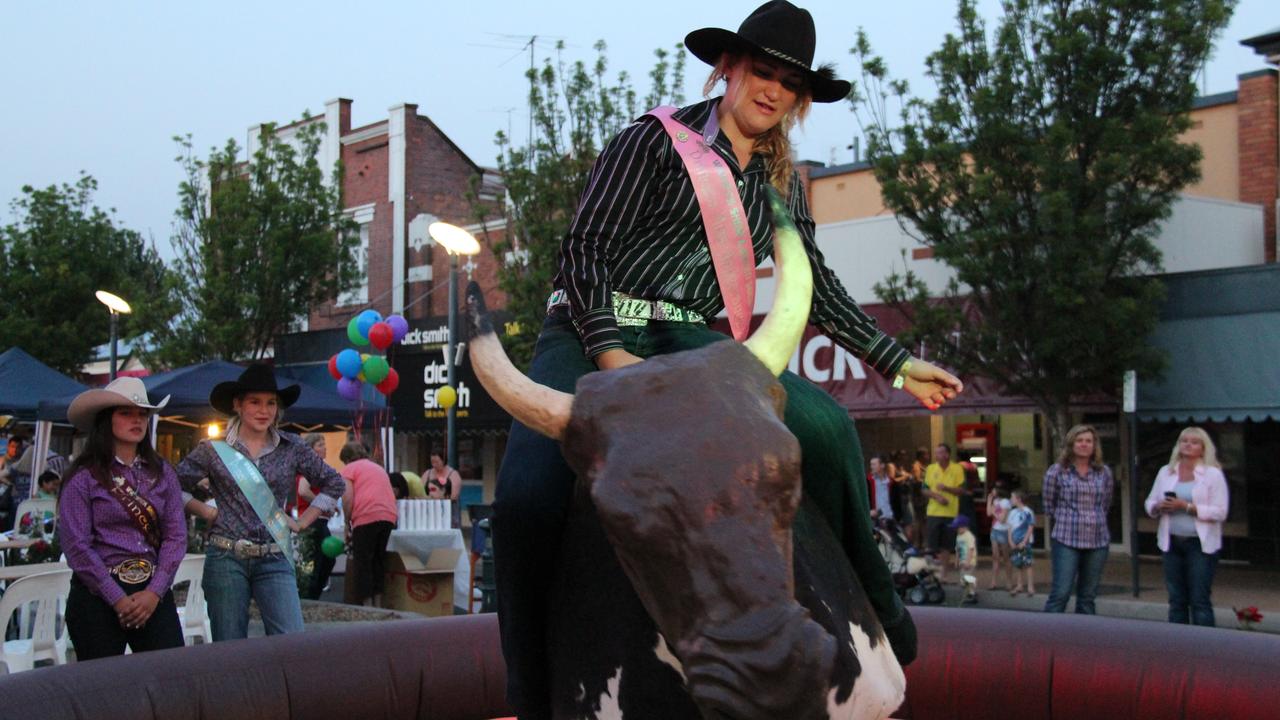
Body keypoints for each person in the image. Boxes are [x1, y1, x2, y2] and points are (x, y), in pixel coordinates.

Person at [491, 3, 965, 714]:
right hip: (589, 329)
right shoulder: (652, 141)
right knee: (527, 492)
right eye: (761, 72)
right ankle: (528, 689)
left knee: (828, 429)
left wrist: (895, 362)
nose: (771, 91)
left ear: (800, 99)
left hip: (691, 340)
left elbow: (813, 282)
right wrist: (612, 356)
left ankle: (886, 616)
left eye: (789, 84)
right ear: (729, 69)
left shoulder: (780, 180)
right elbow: (583, 252)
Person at [177, 363, 346, 641]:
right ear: (238, 405)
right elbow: (172, 486)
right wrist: (205, 510)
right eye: (254, 402)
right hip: (226, 556)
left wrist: (304, 521)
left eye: (271, 403)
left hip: (274, 554)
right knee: (229, 647)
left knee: (290, 641)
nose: (264, 410)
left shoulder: (293, 447)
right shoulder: (213, 449)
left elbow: (334, 482)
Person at [58, 378, 186, 659]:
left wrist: (155, 592)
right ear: (107, 420)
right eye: (126, 413)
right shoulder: (83, 478)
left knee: (172, 677)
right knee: (102, 690)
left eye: (142, 414)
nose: (137, 420)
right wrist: (116, 598)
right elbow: (77, 546)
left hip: (152, 592)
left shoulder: (163, 473)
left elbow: (176, 536)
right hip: (97, 596)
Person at [1144, 427, 1229, 626]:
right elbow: (1150, 502)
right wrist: (1158, 507)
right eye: (1184, 441)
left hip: (1199, 544)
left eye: (1194, 442)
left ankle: (1205, 646)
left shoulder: (1212, 474)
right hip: (1171, 542)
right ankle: (1178, 646)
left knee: (1199, 598)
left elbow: (1220, 511)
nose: (1188, 445)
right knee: (1176, 599)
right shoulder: (1166, 471)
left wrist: (1187, 507)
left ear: (1203, 448)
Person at [1042, 424, 1114, 614]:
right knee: (1061, 593)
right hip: (1066, 538)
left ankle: (1084, 639)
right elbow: (1049, 504)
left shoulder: (1104, 472)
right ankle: (1046, 638)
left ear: (1094, 445)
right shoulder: (1056, 472)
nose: (1084, 445)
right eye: (1080, 441)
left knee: (1088, 597)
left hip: (1097, 540)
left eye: (1088, 441)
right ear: (1071, 444)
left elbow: (1106, 502)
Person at [339, 442, 398, 607]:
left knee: (363, 562)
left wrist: (346, 522)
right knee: (378, 561)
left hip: (366, 515)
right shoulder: (378, 468)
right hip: (388, 515)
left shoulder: (349, 469)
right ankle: (379, 604)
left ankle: (367, 605)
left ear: (348, 459)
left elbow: (347, 498)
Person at [293, 432, 337, 600]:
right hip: (313, 521)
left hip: (318, 520)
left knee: (324, 560)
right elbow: (303, 490)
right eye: (320, 445)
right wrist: (324, 504)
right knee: (319, 561)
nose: (324, 448)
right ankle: (310, 599)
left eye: (324, 444)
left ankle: (312, 597)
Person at [923, 443, 966, 583]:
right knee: (931, 545)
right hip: (933, 512)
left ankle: (944, 574)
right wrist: (937, 496)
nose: (937, 456)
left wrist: (946, 489)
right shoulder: (930, 469)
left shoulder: (957, 468)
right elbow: (924, 489)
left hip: (950, 512)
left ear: (947, 454)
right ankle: (931, 574)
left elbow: (961, 490)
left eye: (940, 453)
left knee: (946, 546)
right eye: (936, 453)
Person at [1007, 489, 1036, 596]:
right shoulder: (1012, 512)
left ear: (1018, 499)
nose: (1011, 500)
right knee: (1018, 563)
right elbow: (1010, 528)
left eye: (1012, 497)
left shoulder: (1027, 512)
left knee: (1028, 563)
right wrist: (1010, 540)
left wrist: (1025, 541)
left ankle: (1030, 586)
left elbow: (1030, 527)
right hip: (1014, 541)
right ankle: (1019, 584)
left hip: (1024, 541)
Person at [986, 481, 1012, 590]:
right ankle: (993, 582)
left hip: (1003, 531)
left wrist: (994, 512)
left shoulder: (1006, 502)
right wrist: (989, 501)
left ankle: (1009, 581)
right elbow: (988, 513)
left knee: (1006, 557)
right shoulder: (995, 501)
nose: (992, 491)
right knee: (995, 557)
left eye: (994, 489)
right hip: (995, 530)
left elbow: (1002, 519)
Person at [951, 515, 978, 604]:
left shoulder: (969, 536)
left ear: (964, 527)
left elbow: (971, 549)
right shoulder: (958, 536)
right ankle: (970, 591)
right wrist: (956, 560)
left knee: (968, 577)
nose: (956, 530)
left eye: (958, 528)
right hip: (962, 561)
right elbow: (957, 549)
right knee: (963, 578)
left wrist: (968, 561)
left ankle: (972, 593)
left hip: (969, 561)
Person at [867, 454, 895, 524]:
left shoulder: (891, 482)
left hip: (890, 520)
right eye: (871, 465)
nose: (871, 467)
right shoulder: (868, 481)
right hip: (875, 521)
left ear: (882, 465)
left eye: (874, 465)